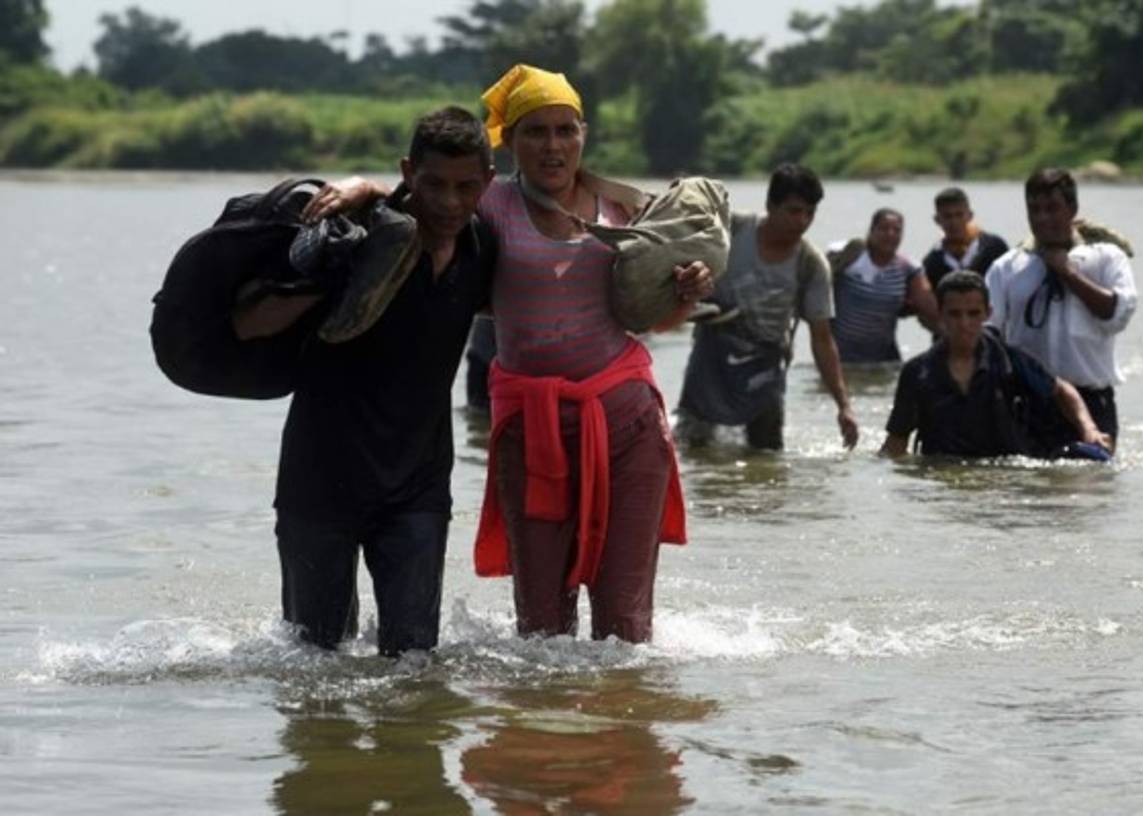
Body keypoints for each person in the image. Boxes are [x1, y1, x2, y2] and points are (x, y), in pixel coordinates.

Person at [230, 106, 496, 656]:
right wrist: (327, 271)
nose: (449, 202)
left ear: (488, 184)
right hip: (319, 482)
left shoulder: (484, 248)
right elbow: (247, 322)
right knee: (313, 663)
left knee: (414, 661)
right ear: (407, 172)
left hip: (418, 489)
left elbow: (562, 250)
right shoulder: (358, 236)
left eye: (466, 186)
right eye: (434, 185)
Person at [473, 64, 712, 643]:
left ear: (583, 135)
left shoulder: (624, 207)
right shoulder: (490, 206)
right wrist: (359, 186)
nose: (553, 146)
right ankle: (548, 734)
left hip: (625, 420)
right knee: (540, 631)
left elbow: (656, 319)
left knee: (624, 628)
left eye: (566, 130)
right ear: (511, 142)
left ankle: (621, 726)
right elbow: (419, 206)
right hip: (531, 427)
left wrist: (687, 290)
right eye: (536, 132)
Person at [674, 163, 858, 451]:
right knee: (693, 446)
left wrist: (843, 405)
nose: (802, 221)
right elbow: (684, 222)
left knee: (767, 454)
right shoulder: (733, 229)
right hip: (711, 357)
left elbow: (822, 339)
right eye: (794, 211)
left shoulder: (811, 264)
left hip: (765, 365)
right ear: (771, 206)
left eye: (810, 213)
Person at [880, 272, 1113, 459]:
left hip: (1003, 477)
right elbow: (896, 443)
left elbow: (1062, 391)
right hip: (942, 485)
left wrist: (1088, 429)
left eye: (973, 314)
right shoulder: (917, 373)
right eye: (955, 314)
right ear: (940, 315)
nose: (964, 323)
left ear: (988, 314)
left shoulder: (1009, 361)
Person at [984, 168, 1138, 447]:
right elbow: (988, 335)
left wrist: (1068, 273)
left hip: (1092, 400)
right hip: (1029, 401)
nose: (1043, 218)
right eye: (1035, 210)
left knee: (1092, 484)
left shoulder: (1105, 258)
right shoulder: (1007, 268)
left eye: (1052, 209)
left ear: (1072, 208)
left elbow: (1117, 314)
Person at [828, 208, 939, 364]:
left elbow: (930, 309)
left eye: (896, 230)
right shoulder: (849, 256)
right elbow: (816, 289)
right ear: (871, 231)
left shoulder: (907, 267)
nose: (890, 234)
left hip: (883, 357)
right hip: (839, 356)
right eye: (884, 229)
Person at [920, 186, 1010, 291]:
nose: (954, 222)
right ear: (937, 220)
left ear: (970, 215)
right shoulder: (932, 262)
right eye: (947, 216)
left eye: (959, 215)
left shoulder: (994, 247)